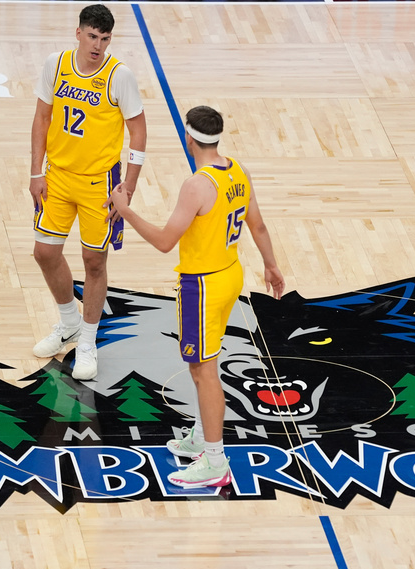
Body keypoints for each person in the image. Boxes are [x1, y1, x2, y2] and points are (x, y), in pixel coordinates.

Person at [108, 106, 285, 488]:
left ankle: (215, 462)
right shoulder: (237, 170)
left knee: (204, 372)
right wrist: (271, 266)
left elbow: (164, 241)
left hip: (202, 286)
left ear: (189, 139)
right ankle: (203, 437)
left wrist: (125, 210)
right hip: (230, 275)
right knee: (206, 365)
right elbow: (259, 224)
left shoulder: (197, 185)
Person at [29, 4, 147, 380]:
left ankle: (88, 342)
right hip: (58, 176)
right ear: (78, 32)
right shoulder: (56, 64)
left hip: (100, 183)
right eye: (92, 36)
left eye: (105, 38)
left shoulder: (119, 76)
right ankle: (69, 322)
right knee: (45, 253)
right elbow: (42, 118)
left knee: (94, 264)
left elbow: (139, 131)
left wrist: (127, 187)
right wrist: (36, 171)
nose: (98, 45)